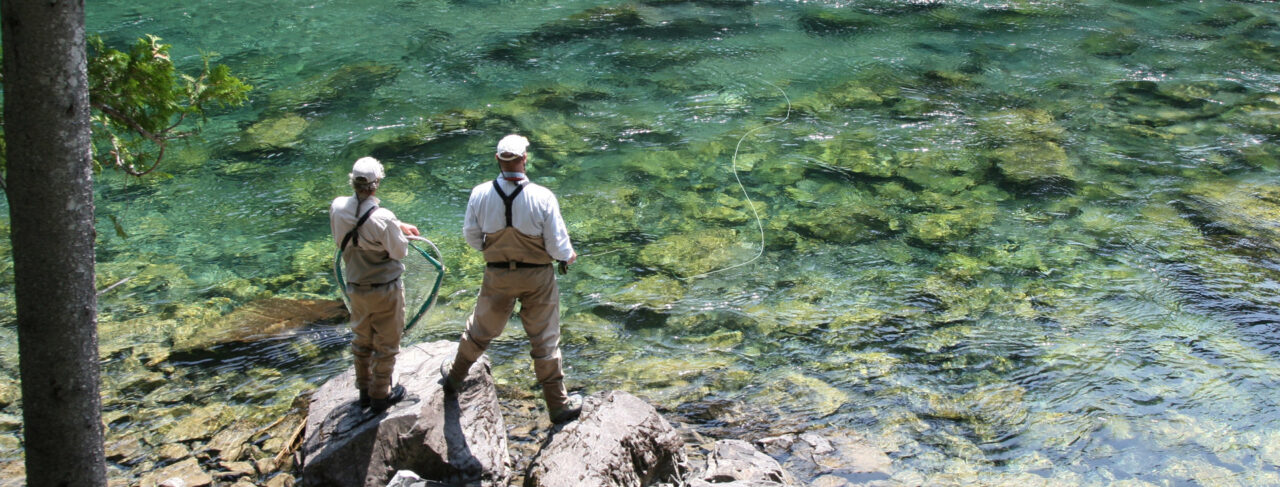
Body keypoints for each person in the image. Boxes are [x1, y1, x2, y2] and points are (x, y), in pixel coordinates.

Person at [443, 134, 582, 424]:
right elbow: (557, 246)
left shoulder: (480, 193)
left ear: (497, 159)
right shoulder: (543, 196)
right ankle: (558, 405)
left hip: (497, 274)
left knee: (480, 330)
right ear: (524, 158)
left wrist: (490, 249)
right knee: (545, 339)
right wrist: (568, 256)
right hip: (537, 278)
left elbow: (471, 236)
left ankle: (454, 380)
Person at [330, 156, 420, 412]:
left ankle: (364, 392)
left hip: (356, 287)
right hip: (386, 289)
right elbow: (399, 252)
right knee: (387, 343)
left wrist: (395, 225)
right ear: (376, 184)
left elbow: (342, 240)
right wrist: (396, 228)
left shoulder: (337, 207)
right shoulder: (384, 217)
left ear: (352, 181)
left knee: (362, 338)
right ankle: (381, 394)